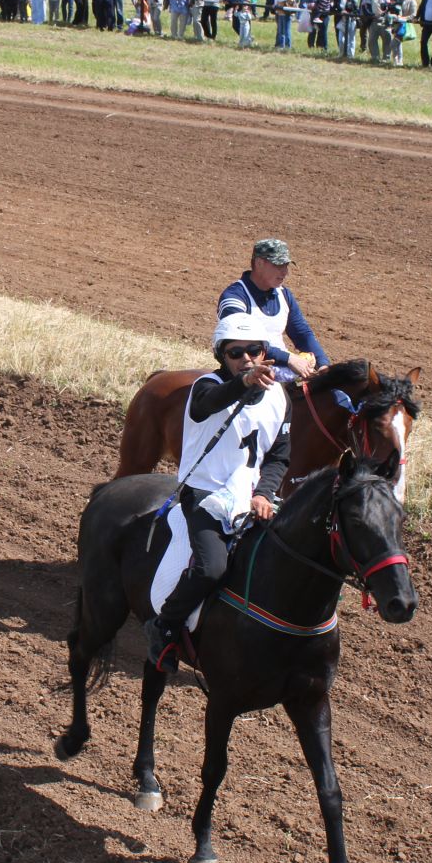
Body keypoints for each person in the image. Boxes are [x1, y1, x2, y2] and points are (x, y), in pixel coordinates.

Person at [145, 312, 293, 669]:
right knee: (212, 568)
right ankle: (164, 625)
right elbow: (213, 401)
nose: (246, 358)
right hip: (204, 497)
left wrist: (264, 493)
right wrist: (245, 381)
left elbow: (279, 455)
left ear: (265, 353)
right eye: (235, 352)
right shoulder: (205, 388)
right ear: (221, 357)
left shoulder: (279, 397)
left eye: (254, 351)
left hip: (252, 497)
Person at [217, 238, 329, 380]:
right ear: (259, 263)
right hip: (243, 375)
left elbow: (302, 334)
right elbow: (242, 342)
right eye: (278, 265)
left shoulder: (284, 294)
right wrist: (289, 359)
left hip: (280, 370)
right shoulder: (234, 297)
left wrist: (323, 364)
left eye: (286, 265)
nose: (285, 272)